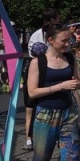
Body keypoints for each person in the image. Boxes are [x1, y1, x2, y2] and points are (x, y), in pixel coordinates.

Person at [27, 23, 80, 161]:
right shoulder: (38, 62)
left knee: (71, 156)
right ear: (50, 40)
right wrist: (60, 86)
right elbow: (32, 92)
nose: (68, 44)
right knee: (41, 158)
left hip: (68, 112)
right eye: (64, 40)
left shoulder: (70, 57)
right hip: (45, 114)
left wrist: (76, 85)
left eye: (69, 39)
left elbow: (74, 81)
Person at [25, 8, 61, 151]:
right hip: (40, 70)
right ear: (52, 19)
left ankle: (46, 137)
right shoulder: (39, 35)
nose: (59, 20)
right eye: (58, 18)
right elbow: (35, 53)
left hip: (47, 70)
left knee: (48, 106)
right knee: (31, 106)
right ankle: (29, 138)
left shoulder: (42, 34)